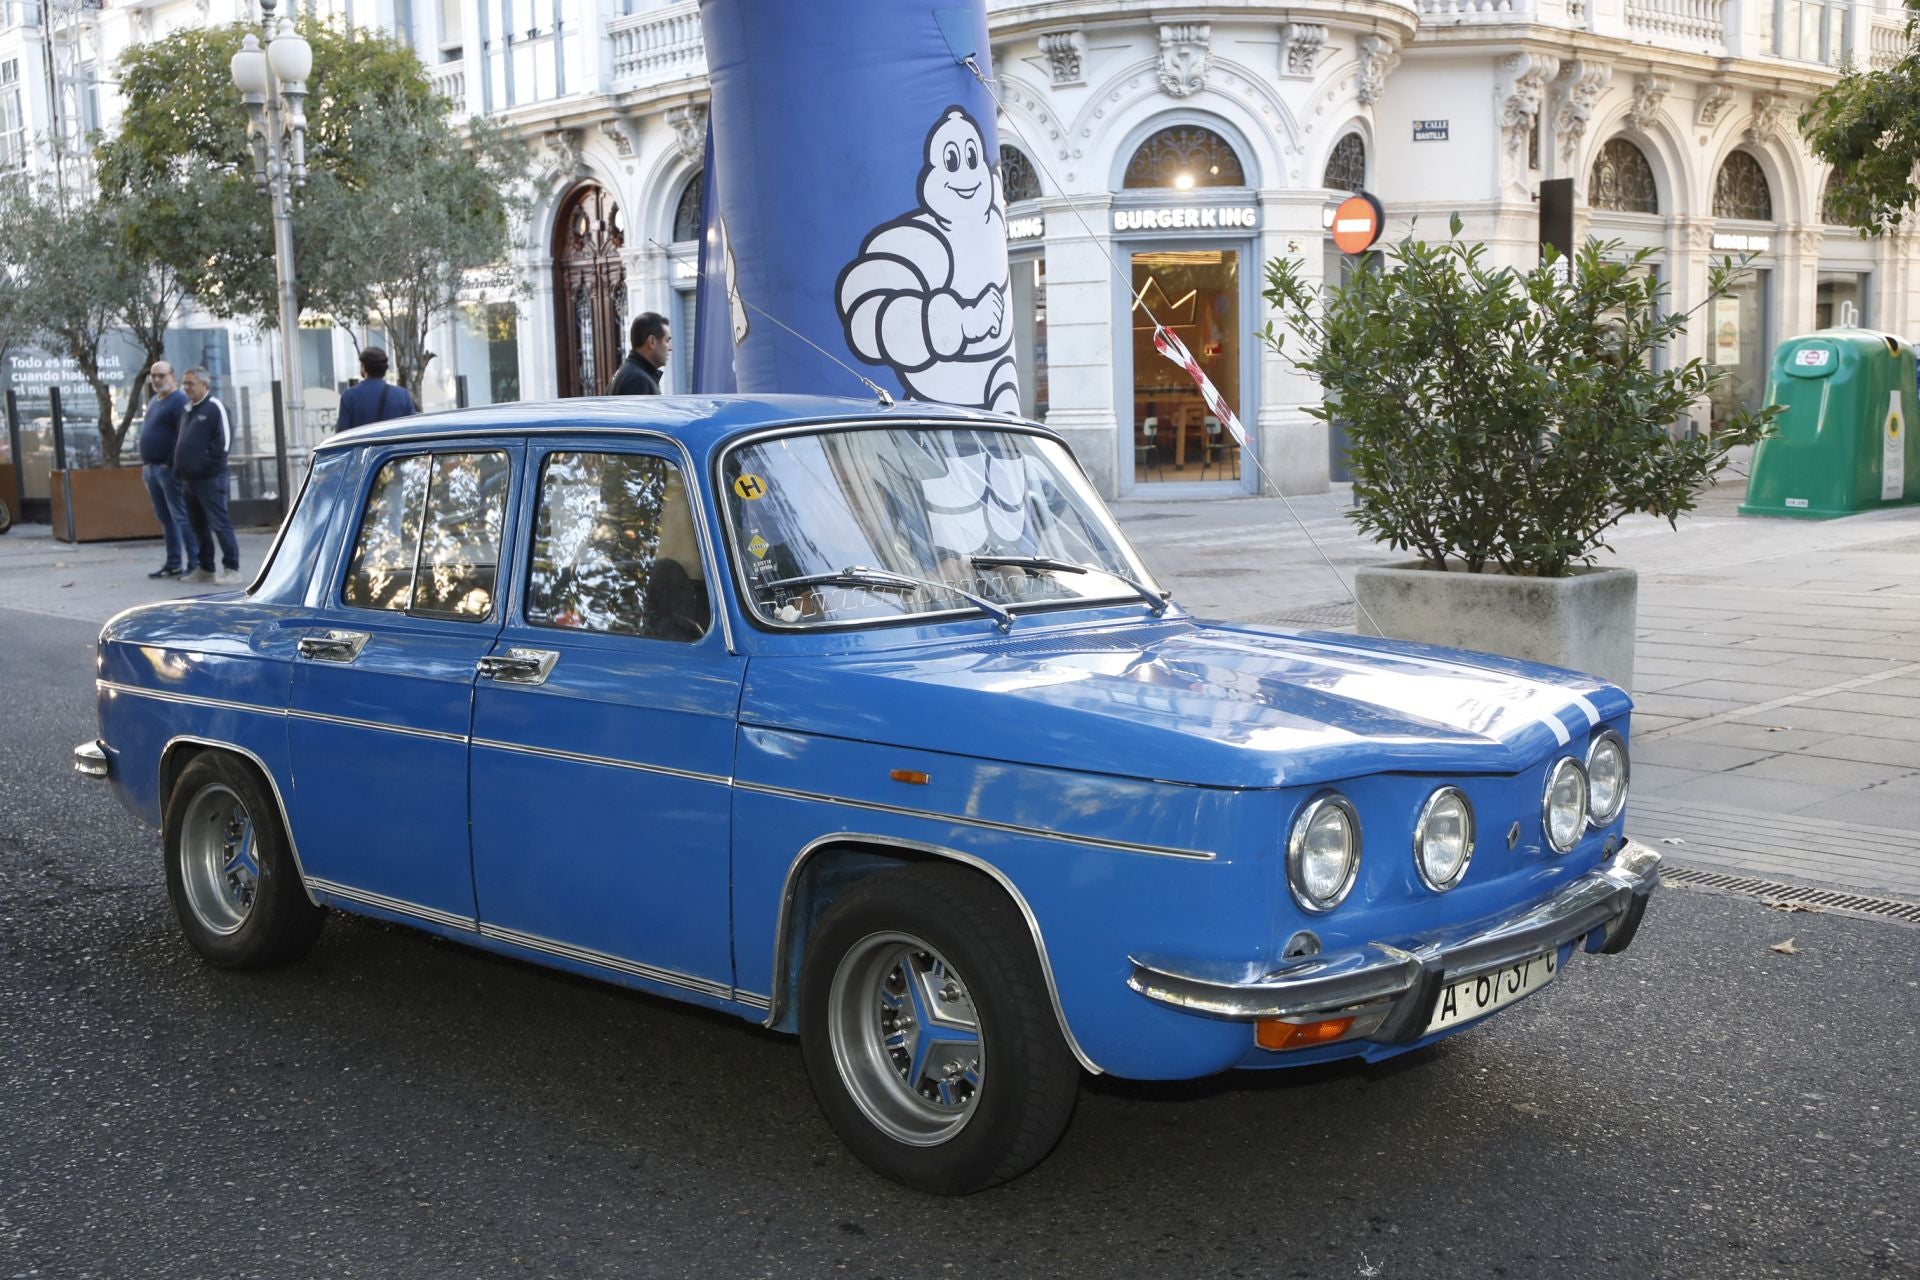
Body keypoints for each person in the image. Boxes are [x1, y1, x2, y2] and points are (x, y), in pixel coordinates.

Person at [172, 368, 242, 586]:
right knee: (197, 525)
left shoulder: (215, 408)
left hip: (210, 479)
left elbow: (224, 445)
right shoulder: (187, 410)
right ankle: (205, 567)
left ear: (204, 384)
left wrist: (204, 467)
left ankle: (232, 568)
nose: (186, 387)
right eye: (184, 383)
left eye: (190, 383)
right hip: (188, 480)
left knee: (219, 523)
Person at [135, 362, 195, 579]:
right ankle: (173, 562)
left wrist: (169, 462)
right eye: (153, 376)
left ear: (173, 376)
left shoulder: (178, 400)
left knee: (180, 516)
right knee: (165, 517)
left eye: (161, 375)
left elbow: (183, 434)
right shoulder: (154, 401)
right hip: (151, 469)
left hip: (166, 469)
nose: (157, 380)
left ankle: (194, 563)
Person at [335, 346, 417, 431]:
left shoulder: (349, 396)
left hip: (362, 443)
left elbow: (342, 433)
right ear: (385, 369)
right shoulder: (402, 395)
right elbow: (412, 429)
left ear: (363, 368)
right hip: (395, 444)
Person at [607, 313, 671, 395]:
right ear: (652, 342)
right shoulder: (638, 380)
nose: (670, 348)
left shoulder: (628, 373)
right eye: (667, 340)